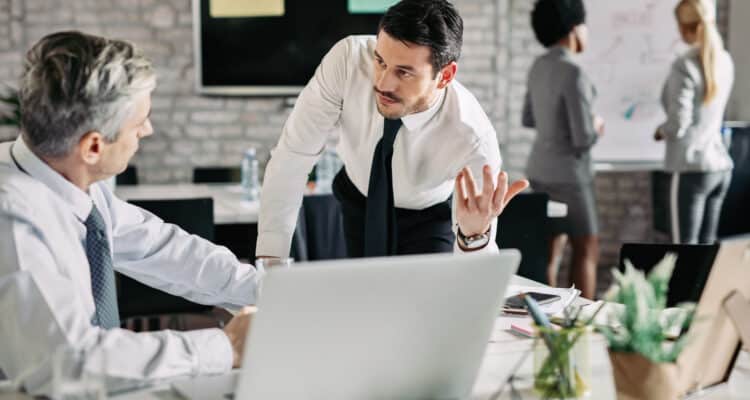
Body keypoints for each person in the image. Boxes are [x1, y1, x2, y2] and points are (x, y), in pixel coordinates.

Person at [0, 31, 257, 395]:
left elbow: (163, 248)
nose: (148, 131)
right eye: (139, 124)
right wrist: (225, 348)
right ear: (92, 146)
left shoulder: (73, 185)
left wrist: (272, 292)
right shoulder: (12, 217)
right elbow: (69, 363)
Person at [257, 0, 528, 259]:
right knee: (364, 296)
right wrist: (270, 260)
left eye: (404, 72)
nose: (383, 83)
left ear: (445, 76)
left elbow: (477, 266)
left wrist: (473, 236)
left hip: (427, 217)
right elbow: (292, 156)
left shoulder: (473, 138)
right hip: (358, 198)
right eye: (381, 62)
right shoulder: (348, 61)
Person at [522, 0, 603, 299]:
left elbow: (528, 118)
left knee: (549, 250)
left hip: (540, 171)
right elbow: (583, 138)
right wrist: (596, 125)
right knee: (587, 247)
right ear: (573, 28)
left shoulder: (538, 66)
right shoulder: (574, 73)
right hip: (571, 177)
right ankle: (581, 325)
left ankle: (545, 319)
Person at [654, 0, 734, 245]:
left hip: (691, 169)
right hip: (720, 166)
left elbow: (679, 124)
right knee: (707, 249)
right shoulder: (725, 60)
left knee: (683, 249)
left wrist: (661, 130)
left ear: (686, 27)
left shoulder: (684, 66)